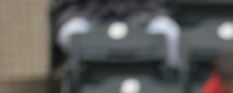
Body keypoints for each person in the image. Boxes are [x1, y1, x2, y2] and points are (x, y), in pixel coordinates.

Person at [50, 0, 180, 67]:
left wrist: (134, 22)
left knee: (169, 31)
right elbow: (66, 6)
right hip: (90, 17)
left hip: (140, 17)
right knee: (72, 32)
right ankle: (82, 88)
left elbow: (156, 4)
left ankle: (165, 91)